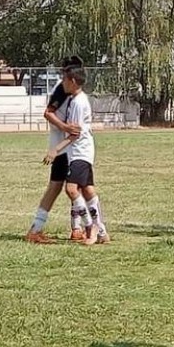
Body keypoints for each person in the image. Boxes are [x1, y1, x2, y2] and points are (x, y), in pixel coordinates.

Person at [43, 65, 108, 245]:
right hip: (78, 152)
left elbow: (75, 134)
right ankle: (102, 232)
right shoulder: (75, 99)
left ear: (72, 81)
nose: (62, 83)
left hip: (81, 152)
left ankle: (91, 225)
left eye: (64, 79)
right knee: (87, 190)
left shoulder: (79, 102)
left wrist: (56, 149)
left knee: (71, 189)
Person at [25, 56, 84, 244]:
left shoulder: (73, 89)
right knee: (65, 188)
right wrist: (65, 128)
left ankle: (75, 229)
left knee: (67, 188)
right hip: (63, 148)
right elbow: (48, 112)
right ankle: (38, 229)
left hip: (69, 146)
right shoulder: (62, 88)